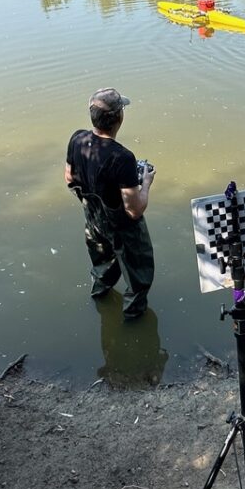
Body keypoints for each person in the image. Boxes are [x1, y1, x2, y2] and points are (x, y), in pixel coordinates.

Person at [65, 88, 156, 319]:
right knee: (138, 274)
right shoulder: (122, 157)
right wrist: (145, 182)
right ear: (119, 118)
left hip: (92, 221)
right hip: (123, 229)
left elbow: (69, 177)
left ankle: (100, 294)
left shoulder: (77, 138)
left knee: (102, 263)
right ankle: (133, 317)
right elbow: (134, 210)